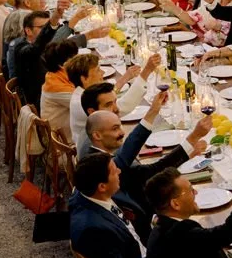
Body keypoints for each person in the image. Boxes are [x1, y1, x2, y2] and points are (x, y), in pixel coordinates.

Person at [85, 92, 210, 238]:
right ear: (97, 136)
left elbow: (150, 171)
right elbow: (132, 152)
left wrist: (188, 151)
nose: (122, 133)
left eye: (120, 127)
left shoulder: (102, 156)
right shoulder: (101, 166)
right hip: (145, 233)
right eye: (115, 129)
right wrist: (193, 137)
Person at [69, 153, 153, 258]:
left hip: (136, 253)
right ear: (101, 186)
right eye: (115, 172)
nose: (120, 172)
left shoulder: (83, 195)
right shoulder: (94, 230)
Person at [39, 39, 79, 139]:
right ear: (65, 63)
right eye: (75, 58)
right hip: (64, 142)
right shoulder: (57, 88)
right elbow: (89, 104)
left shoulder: (53, 75)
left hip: (65, 131)